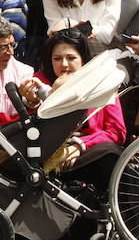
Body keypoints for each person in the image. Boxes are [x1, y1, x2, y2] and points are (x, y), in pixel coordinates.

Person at [25, 29, 125, 186]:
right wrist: (31, 102)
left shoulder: (101, 84)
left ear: (83, 60)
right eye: (57, 59)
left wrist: (80, 145)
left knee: (111, 152)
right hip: (49, 157)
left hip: (91, 153)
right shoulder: (39, 82)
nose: (64, 64)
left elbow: (116, 132)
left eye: (71, 58)